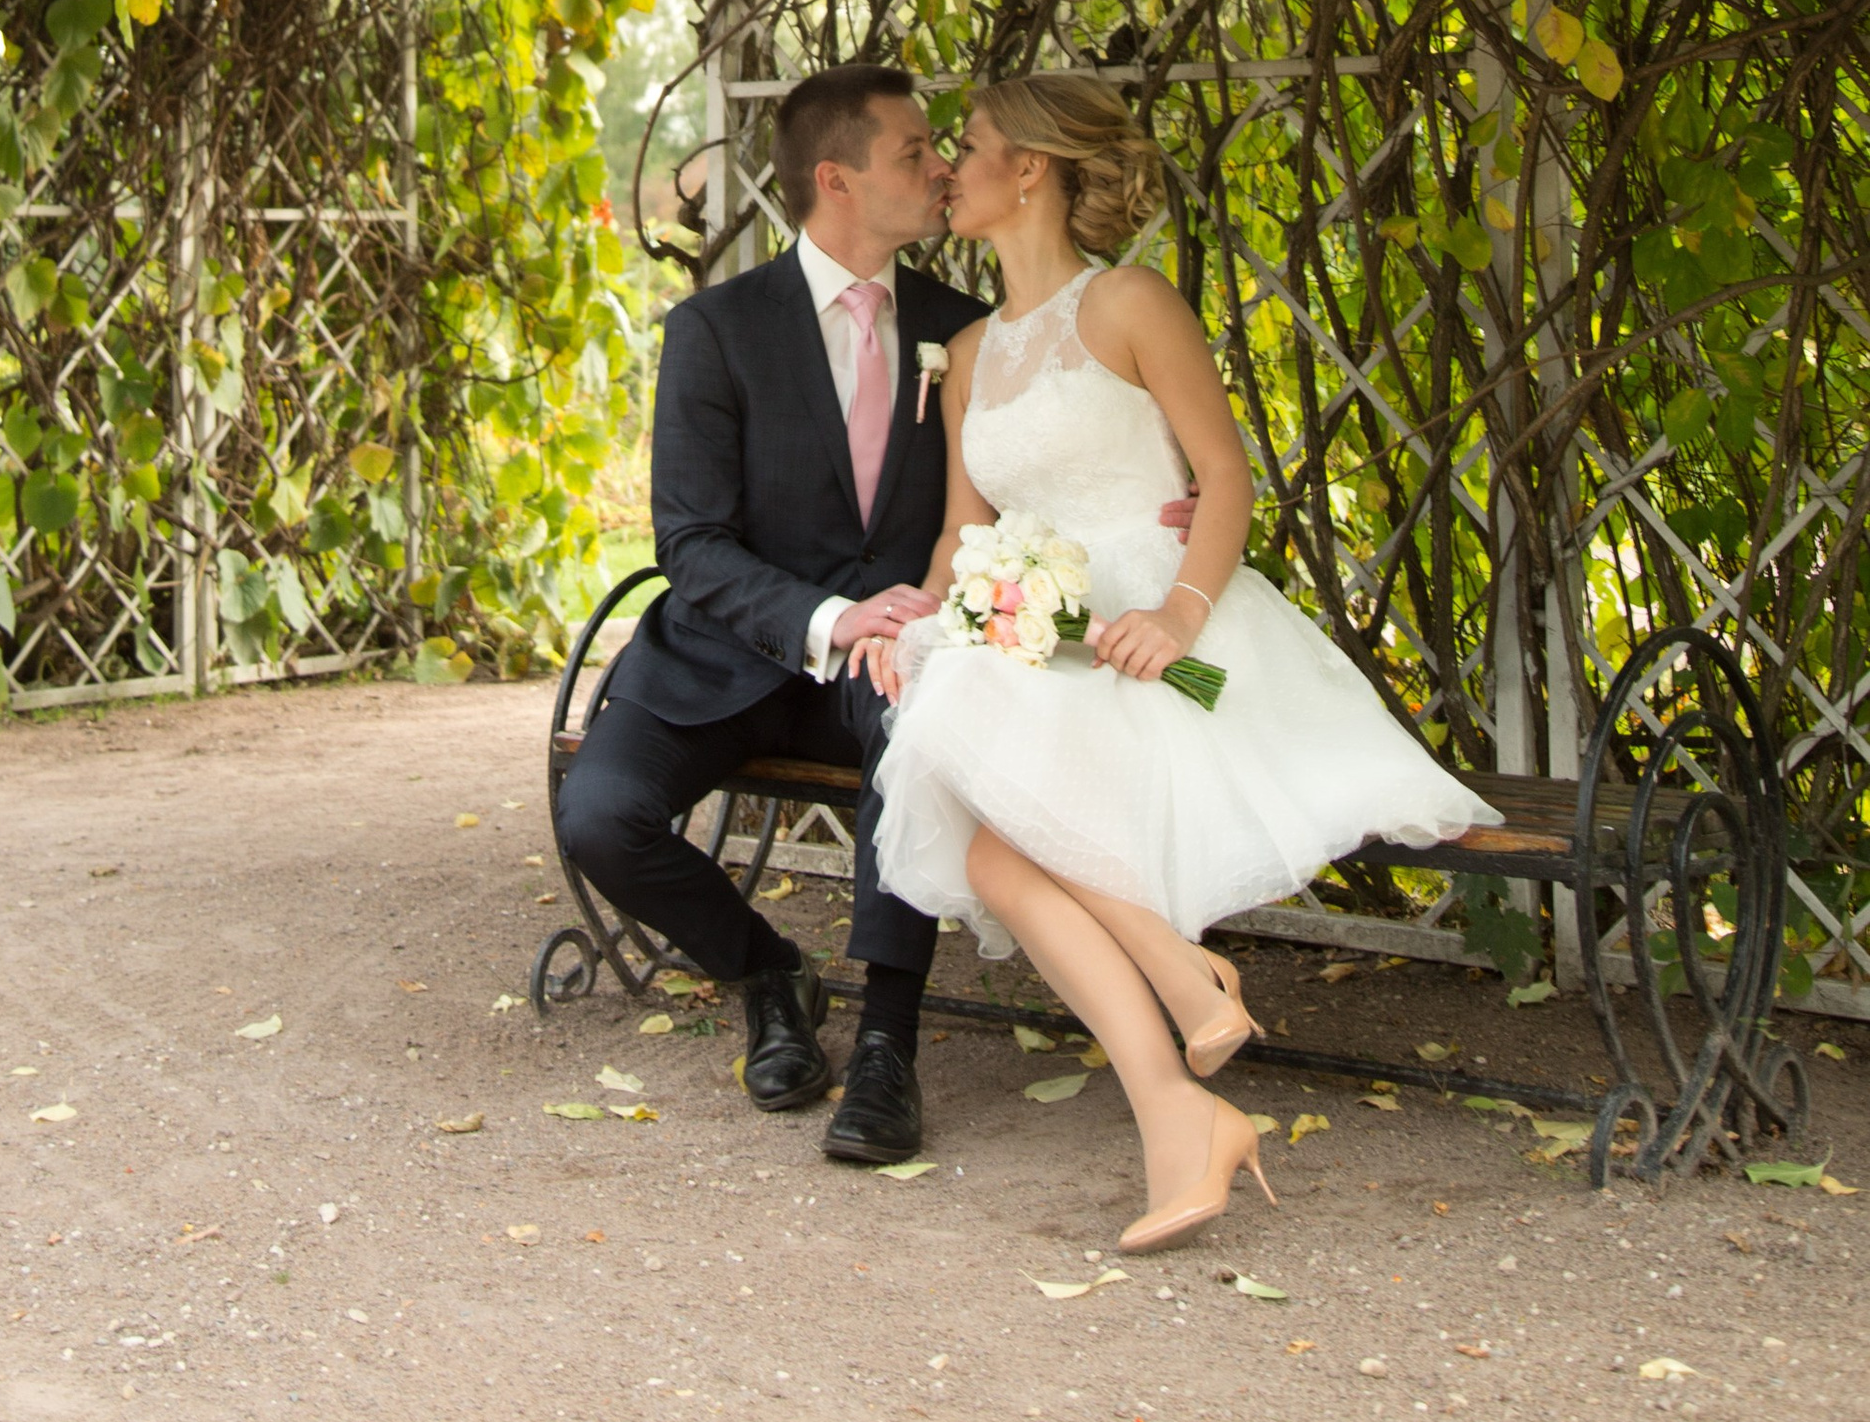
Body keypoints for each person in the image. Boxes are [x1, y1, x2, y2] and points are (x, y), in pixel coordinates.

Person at [862, 73, 1500, 1252]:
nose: (952, 165)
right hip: (1042, 642)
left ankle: (1176, 1086)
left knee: (1004, 854)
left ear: (1032, 170)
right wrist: (936, 620)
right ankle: (1175, 1039)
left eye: (973, 145)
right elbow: (961, 529)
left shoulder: (1130, 302)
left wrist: (1180, 616)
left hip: (1160, 635)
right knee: (970, 782)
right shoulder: (962, 351)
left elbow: (1225, 473)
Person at [555, 66, 988, 1162]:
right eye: (913, 152)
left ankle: (887, 1047)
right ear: (835, 181)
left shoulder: (963, 329)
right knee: (598, 816)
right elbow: (689, 544)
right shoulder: (716, 330)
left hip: (887, 663)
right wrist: (829, 616)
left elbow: (1006, 491)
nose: (940, 166)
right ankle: (766, 974)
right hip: (729, 651)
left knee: (910, 730)